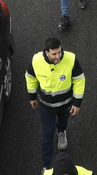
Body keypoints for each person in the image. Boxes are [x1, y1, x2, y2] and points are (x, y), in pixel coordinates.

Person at [26, 37, 87, 167]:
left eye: (59, 52)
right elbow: (31, 78)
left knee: (63, 123)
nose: (58, 56)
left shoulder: (71, 59)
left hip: (65, 105)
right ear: (47, 52)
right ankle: (46, 166)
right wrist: (32, 97)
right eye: (54, 54)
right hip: (46, 107)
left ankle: (61, 132)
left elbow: (79, 80)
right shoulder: (36, 60)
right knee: (47, 134)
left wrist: (77, 103)